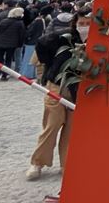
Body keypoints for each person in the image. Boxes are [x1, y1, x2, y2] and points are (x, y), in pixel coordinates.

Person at [25, 11, 86, 180]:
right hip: (57, 86)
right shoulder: (63, 36)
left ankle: (67, 164)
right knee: (52, 125)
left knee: (72, 130)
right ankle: (37, 162)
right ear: (75, 23)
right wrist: (51, 65)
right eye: (82, 23)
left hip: (79, 89)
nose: (85, 27)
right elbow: (42, 44)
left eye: (89, 23)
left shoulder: (98, 40)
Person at [0, 6, 26, 80]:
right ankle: (5, 75)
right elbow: (21, 35)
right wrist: (20, 44)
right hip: (12, 44)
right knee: (8, 60)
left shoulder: (4, 21)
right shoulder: (20, 23)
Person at [20, 5, 53, 78]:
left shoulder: (37, 21)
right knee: (35, 59)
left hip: (31, 42)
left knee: (28, 59)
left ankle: (27, 74)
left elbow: (30, 32)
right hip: (39, 42)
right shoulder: (47, 21)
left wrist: (26, 37)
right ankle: (32, 74)